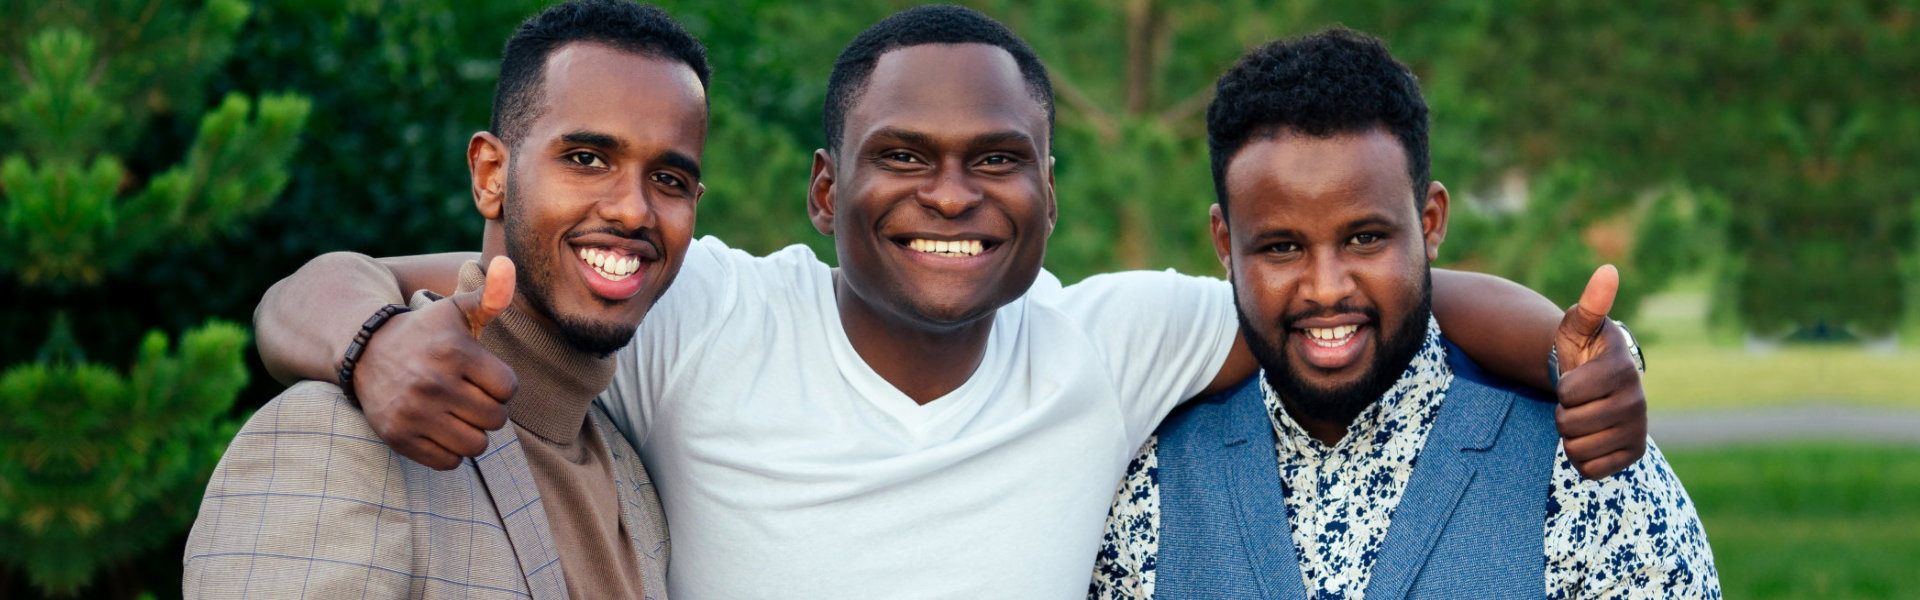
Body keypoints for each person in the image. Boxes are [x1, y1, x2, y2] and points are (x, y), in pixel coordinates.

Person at [252, 6, 1650, 598]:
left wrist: (1585, 354)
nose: (951, 195)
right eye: (902, 158)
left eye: (997, 162)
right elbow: (344, 285)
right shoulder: (709, 315)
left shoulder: (1109, 341)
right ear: (820, 190)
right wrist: (372, 343)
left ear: (1049, 189)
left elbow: (1346, 291)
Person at [1089, 28, 1718, 599]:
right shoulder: (1147, 486)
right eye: (1282, 247)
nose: (1327, 288)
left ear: (1430, 222)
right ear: (1225, 244)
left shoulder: (1582, 473)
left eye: (1365, 238)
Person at [182, 2, 707, 597]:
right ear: (490, 176)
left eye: (669, 180)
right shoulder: (342, 435)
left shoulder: (639, 487)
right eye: (585, 159)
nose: (633, 209)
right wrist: (372, 340)